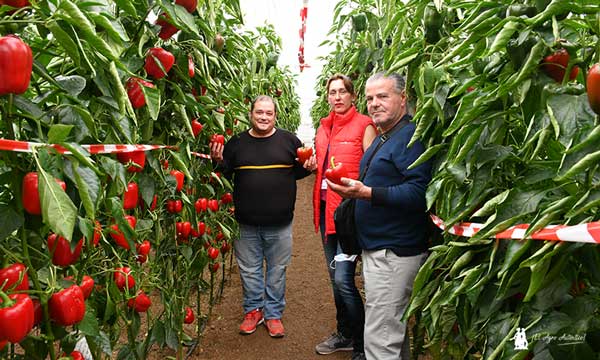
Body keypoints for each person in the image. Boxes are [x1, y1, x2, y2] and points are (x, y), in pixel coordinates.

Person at [327, 72, 432, 360]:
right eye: (370, 98)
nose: (374, 103)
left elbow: (419, 193)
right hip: (381, 249)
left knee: (380, 342)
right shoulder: (386, 137)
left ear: (403, 99)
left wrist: (367, 193)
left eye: (383, 96)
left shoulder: (410, 138)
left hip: (394, 253)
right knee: (392, 335)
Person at [210, 95, 313, 338]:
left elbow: (299, 171)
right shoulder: (236, 143)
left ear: (275, 115)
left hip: (280, 222)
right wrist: (217, 160)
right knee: (249, 270)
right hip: (245, 222)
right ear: (251, 114)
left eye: (268, 113)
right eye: (259, 112)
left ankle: (274, 314)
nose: (264, 117)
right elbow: (225, 171)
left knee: (277, 270)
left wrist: (310, 167)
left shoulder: (289, 141)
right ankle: (253, 310)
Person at [305, 74, 376, 360]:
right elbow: (322, 167)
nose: (337, 97)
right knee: (335, 278)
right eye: (332, 92)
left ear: (352, 96)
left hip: (348, 216)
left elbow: (372, 167)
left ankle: (360, 343)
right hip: (325, 213)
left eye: (342, 92)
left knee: (345, 280)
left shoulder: (364, 126)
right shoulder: (323, 128)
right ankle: (345, 332)